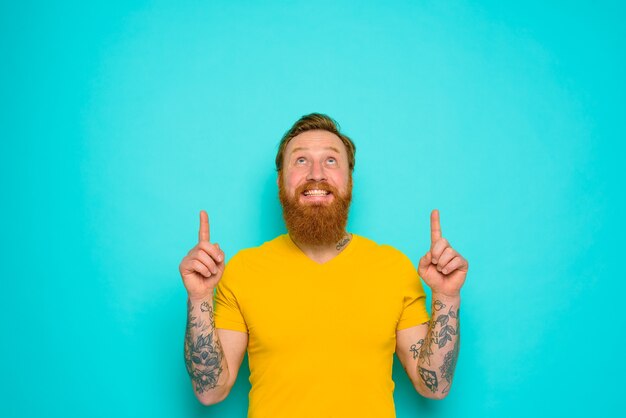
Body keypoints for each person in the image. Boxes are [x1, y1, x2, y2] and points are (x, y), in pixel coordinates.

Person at [179, 113, 469, 417]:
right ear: (281, 181)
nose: (316, 174)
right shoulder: (242, 270)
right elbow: (211, 391)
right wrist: (199, 299)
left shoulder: (393, 268)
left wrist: (447, 298)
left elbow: (434, 386)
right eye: (300, 161)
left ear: (349, 180)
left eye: (331, 161)